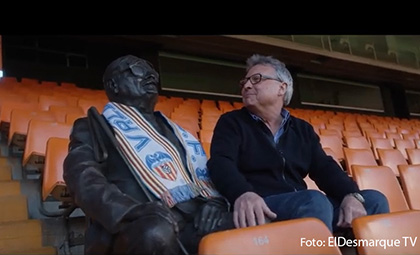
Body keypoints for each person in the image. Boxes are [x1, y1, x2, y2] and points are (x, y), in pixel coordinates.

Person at [63, 55, 233, 255]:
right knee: (154, 233)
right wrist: (131, 211)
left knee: (249, 219)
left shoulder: (176, 131)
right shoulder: (94, 127)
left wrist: (215, 201)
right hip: (137, 223)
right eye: (137, 70)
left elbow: (203, 175)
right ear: (113, 85)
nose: (150, 76)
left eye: (152, 72)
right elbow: (82, 177)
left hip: (195, 218)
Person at [207, 54, 390, 234]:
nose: (246, 86)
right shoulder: (231, 122)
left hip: (302, 205)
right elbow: (221, 162)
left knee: (374, 200)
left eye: (256, 79)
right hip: (263, 205)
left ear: (281, 88)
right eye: (245, 82)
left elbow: (325, 168)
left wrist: (350, 195)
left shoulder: (302, 129)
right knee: (314, 201)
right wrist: (242, 193)